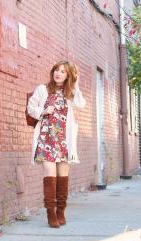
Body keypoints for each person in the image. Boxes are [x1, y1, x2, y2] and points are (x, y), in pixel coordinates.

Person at [27, 60, 86, 228]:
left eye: (63, 71)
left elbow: (81, 104)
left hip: (64, 141)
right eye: (56, 70)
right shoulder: (42, 89)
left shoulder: (70, 93)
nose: (58, 73)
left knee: (63, 178)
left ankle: (61, 211)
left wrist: (77, 84)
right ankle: (50, 213)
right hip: (46, 140)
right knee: (49, 177)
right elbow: (31, 108)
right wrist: (43, 111)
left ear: (68, 76)